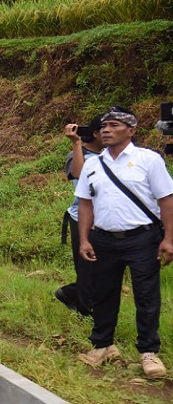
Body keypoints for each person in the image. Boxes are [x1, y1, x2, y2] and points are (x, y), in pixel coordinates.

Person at [75, 106, 173, 379]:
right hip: (103, 239)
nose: (106, 130)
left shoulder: (148, 160)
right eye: (104, 126)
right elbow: (85, 203)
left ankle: (148, 352)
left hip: (142, 238)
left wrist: (169, 238)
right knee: (103, 294)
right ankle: (102, 345)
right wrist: (84, 239)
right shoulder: (93, 164)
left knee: (146, 296)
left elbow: (166, 199)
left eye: (114, 125)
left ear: (131, 130)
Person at [55, 115, 104, 315]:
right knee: (87, 268)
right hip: (82, 219)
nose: (110, 133)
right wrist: (76, 144)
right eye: (105, 128)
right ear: (96, 133)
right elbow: (80, 177)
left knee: (102, 269)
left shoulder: (110, 155)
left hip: (106, 221)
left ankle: (72, 294)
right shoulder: (78, 154)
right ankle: (85, 311)